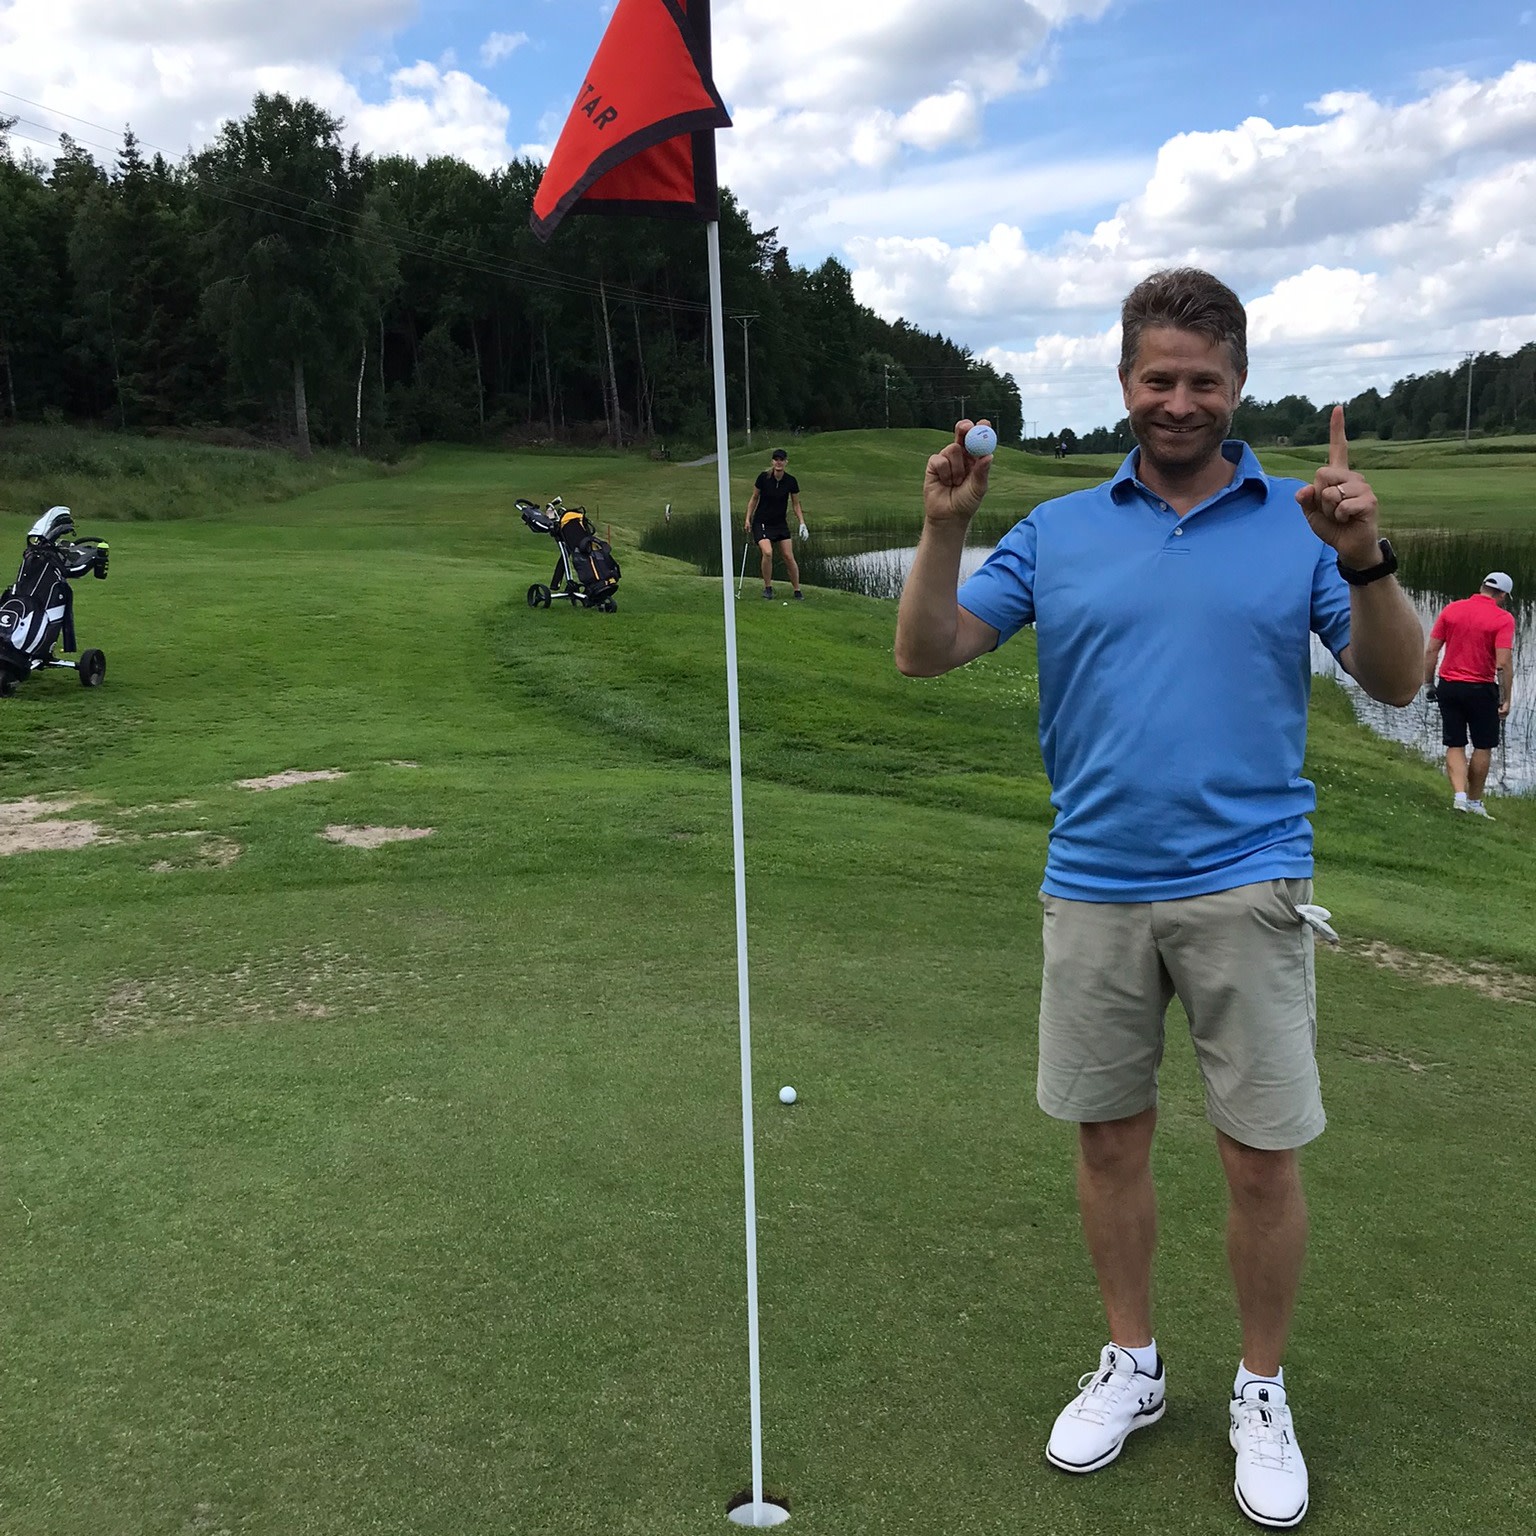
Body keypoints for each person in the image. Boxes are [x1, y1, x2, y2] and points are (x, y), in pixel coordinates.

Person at [894, 268, 1423, 1531]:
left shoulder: (1300, 527)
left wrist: (1368, 557)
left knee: (1257, 1159)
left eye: (1203, 380)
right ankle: (1133, 1365)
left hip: (1250, 886)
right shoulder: (1062, 530)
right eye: (1157, 378)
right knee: (1109, 1138)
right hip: (1093, 882)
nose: (1179, 401)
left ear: (1238, 386)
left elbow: (1400, 685)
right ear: (1124, 383)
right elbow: (925, 650)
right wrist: (945, 528)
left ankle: (1260, 1388)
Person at [1424, 572, 1515, 817]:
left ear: (1481, 586)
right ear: (1503, 595)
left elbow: (1432, 649)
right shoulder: (1503, 618)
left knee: (1455, 742)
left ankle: (1459, 797)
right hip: (1481, 688)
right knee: (1483, 746)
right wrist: (1506, 698)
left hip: (1449, 686)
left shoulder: (1452, 609)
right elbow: (1503, 663)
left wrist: (1429, 684)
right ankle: (1475, 801)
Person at [744, 448, 808, 600]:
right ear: (772, 462)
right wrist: (748, 518)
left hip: (780, 523)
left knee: (788, 556)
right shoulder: (763, 478)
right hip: (762, 522)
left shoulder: (791, 481)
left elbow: (796, 504)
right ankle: (768, 588)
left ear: (786, 462)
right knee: (768, 552)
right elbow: (754, 498)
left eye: (781, 459)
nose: (778, 462)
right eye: (776, 459)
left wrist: (802, 523)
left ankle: (797, 590)